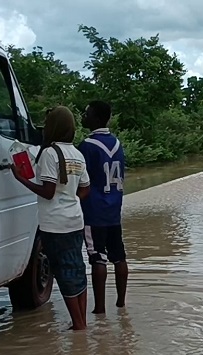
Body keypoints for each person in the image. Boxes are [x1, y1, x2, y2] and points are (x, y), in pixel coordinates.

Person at [11, 106, 91, 330]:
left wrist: (20, 179)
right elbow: (86, 189)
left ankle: (78, 325)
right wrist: (69, 198)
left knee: (63, 271)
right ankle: (81, 322)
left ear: (53, 127)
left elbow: (48, 191)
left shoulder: (49, 153)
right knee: (76, 268)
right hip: (75, 220)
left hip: (55, 224)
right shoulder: (77, 153)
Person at [78, 100, 129, 314]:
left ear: (97, 119)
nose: (83, 116)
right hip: (114, 209)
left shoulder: (87, 146)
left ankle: (99, 309)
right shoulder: (117, 144)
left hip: (93, 211)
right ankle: (120, 303)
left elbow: (82, 181)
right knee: (119, 256)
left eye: (87, 113)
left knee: (97, 258)